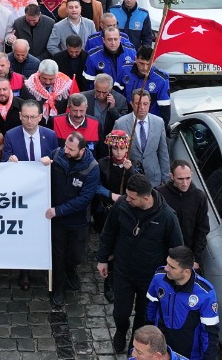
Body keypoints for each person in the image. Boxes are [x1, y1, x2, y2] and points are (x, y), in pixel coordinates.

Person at [97, 174, 184, 355]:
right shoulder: (122, 205)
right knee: (120, 313)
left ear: (146, 198)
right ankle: (121, 330)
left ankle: (134, 347)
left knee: (143, 318)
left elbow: (176, 248)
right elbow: (109, 232)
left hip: (150, 279)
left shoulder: (167, 217)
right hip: (123, 271)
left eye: (131, 197)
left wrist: (172, 275)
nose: (126, 199)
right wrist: (102, 258)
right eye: (127, 195)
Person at [49, 132, 101, 309]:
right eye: (65, 146)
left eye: (71, 149)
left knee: (76, 254)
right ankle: (59, 287)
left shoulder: (92, 168)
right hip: (57, 221)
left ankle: (71, 270)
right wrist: (43, 162)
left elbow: (84, 199)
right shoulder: (57, 155)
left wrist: (59, 210)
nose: (66, 151)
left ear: (82, 150)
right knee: (58, 255)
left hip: (77, 220)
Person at [145, 245, 220, 360]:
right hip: (161, 348)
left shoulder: (205, 293)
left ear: (186, 272)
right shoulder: (159, 278)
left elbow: (210, 332)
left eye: (172, 267)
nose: (166, 268)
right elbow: (151, 308)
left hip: (189, 354)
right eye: (167, 263)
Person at [112, 89, 171, 187]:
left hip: (154, 180)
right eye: (138, 103)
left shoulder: (159, 122)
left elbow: (163, 153)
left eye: (145, 104)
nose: (142, 107)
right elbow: (114, 153)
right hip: (131, 180)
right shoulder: (120, 124)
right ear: (131, 104)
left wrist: (166, 180)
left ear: (150, 104)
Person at [158, 161, 211, 264]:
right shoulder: (161, 194)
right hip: (164, 254)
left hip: (187, 255)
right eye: (180, 179)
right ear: (172, 176)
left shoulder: (199, 197)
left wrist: (196, 258)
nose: (185, 183)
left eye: (188, 178)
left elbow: (202, 229)